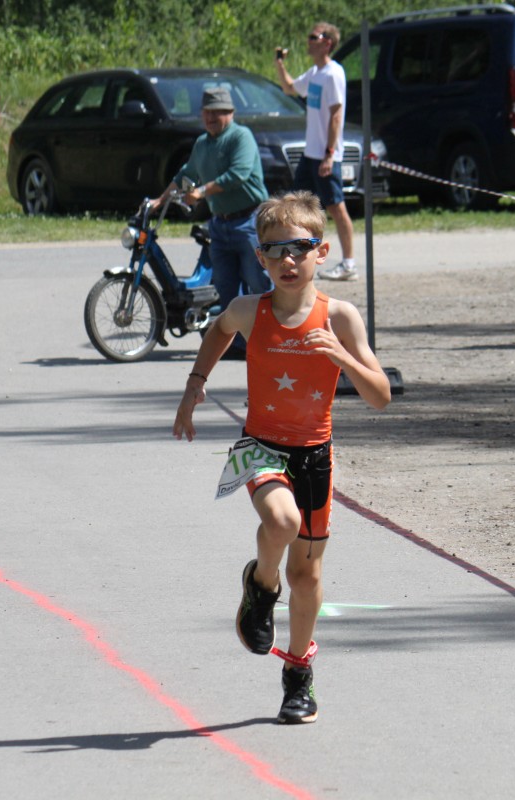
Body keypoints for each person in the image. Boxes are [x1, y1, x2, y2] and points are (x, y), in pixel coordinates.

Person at [173, 191, 391, 724]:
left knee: (307, 577)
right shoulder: (250, 310)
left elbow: (381, 396)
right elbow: (218, 331)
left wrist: (343, 358)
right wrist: (195, 384)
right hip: (260, 446)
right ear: (261, 258)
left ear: (321, 252)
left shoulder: (340, 317)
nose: (287, 260)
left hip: (314, 454)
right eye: (274, 250)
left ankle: (298, 673)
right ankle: (261, 585)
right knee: (282, 520)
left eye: (299, 248)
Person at [154, 87, 271, 359]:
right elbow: (186, 174)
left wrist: (202, 192)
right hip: (220, 224)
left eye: (216, 113)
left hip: (250, 221)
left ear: (230, 112)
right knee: (226, 290)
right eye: (206, 112)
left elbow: (238, 174)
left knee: (259, 283)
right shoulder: (203, 144)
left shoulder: (241, 137)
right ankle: (237, 346)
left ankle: (274, 340)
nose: (210, 118)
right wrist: (161, 200)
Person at [274, 21, 358, 282]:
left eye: (314, 37)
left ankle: (349, 264)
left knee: (336, 207)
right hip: (311, 154)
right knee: (296, 204)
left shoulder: (334, 73)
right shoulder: (314, 73)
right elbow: (290, 87)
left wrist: (330, 153)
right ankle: (298, 253)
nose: (309, 41)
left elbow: (336, 115)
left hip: (326, 155)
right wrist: (279, 63)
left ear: (327, 43)